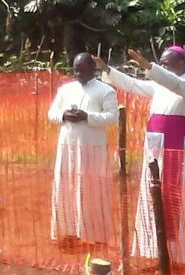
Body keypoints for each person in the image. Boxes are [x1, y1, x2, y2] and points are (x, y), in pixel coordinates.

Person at [94, 47, 185, 266]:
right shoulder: (159, 84)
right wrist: (108, 70)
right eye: (160, 64)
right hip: (155, 147)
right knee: (153, 196)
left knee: (173, 197)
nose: (162, 67)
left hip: (176, 148)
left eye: (166, 64)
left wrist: (149, 67)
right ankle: (157, 253)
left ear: (181, 63)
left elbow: (176, 85)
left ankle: (176, 256)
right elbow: (133, 85)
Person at [48, 53, 118, 248]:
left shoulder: (106, 91)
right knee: (67, 186)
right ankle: (69, 233)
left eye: (82, 70)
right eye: (75, 70)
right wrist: (64, 115)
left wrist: (87, 117)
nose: (78, 74)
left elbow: (112, 117)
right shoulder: (65, 90)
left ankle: (96, 235)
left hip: (92, 150)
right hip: (67, 148)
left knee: (92, 189)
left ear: (93, 69)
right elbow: (51, 114)